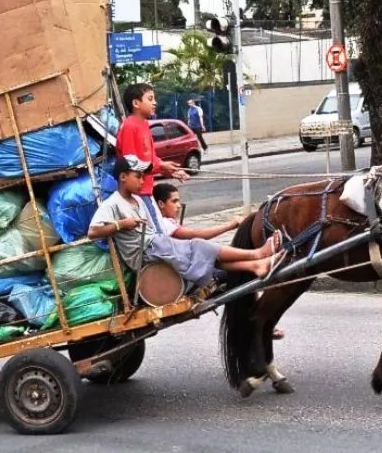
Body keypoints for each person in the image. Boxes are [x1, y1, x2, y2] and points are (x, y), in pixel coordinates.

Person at [88, 155, 282, 288]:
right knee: (199, 246)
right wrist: (122, 224)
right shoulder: (112, 203)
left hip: (155, 245)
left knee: (202, 257)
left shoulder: (138, 199)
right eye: (138, 176)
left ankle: (255, 265)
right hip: (144, 252)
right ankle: (256, 254)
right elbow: (93, 232)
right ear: (122, 177)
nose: (142, 181)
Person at [153, 182, 286, 340]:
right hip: (183, 274)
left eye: (178, 201)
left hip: (188, 266)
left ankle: (257, 268)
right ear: (161, 204)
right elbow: (197, 236)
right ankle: (258, 318)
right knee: (219, 260)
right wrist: (231, 224)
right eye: (174, 201)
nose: (179, 206)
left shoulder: (169, 222)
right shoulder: (164, 224)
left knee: (228, 265)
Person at [116, 83, 188, 232]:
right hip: (138, 193)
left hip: (147, 190)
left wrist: (169, 170)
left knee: (159, 233)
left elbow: (151, 157)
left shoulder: (144, 125)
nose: (155, 102)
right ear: (136, 103)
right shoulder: (130, 126)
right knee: (158, 235)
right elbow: (131, 164)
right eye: (150, 99)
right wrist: (161, 167)